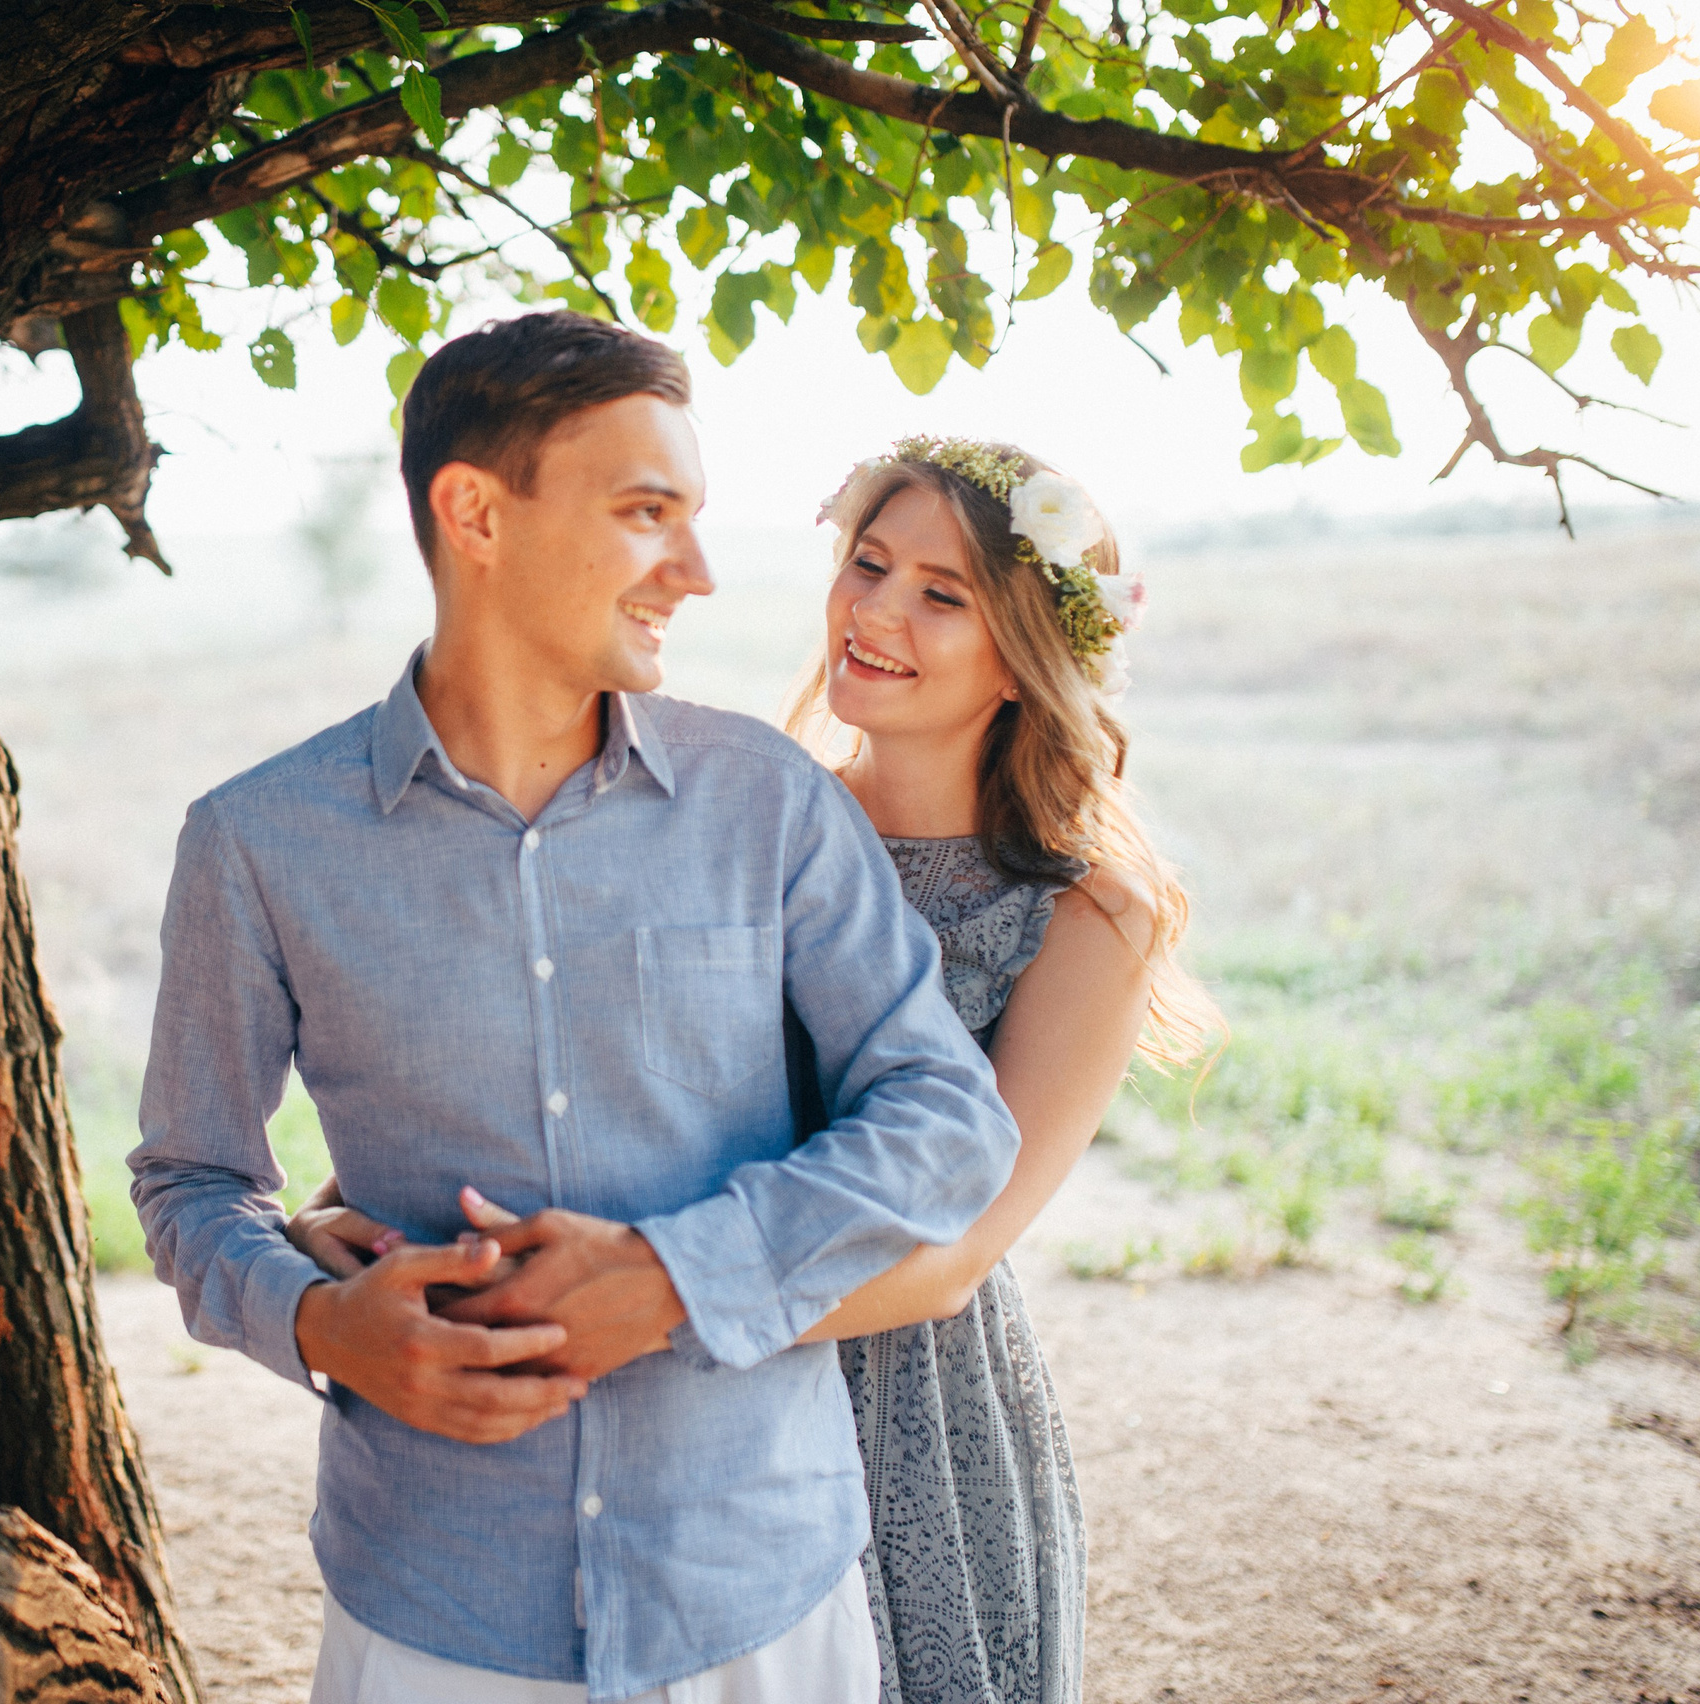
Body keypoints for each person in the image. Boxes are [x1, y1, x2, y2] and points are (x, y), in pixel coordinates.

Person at [129, 315, 1022, 1703]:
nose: (701, 571)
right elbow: (193, 1181)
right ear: (475, 513)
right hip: (434, 1606)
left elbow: (948, 1121)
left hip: (762, 1597)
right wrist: (320, 1323)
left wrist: (677, 1277)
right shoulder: (257, 843)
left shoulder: (767, 806)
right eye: (647, 513)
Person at [295, 435, 1218, 1704]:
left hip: (900, 1403)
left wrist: (634, 1302)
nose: (876, 611)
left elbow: (950, 1261)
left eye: (941, 596)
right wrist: (392, 1215)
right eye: (870, 564)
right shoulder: (746, 816)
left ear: (1022, 654)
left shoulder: (1087, 915)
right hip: (669, 1414)